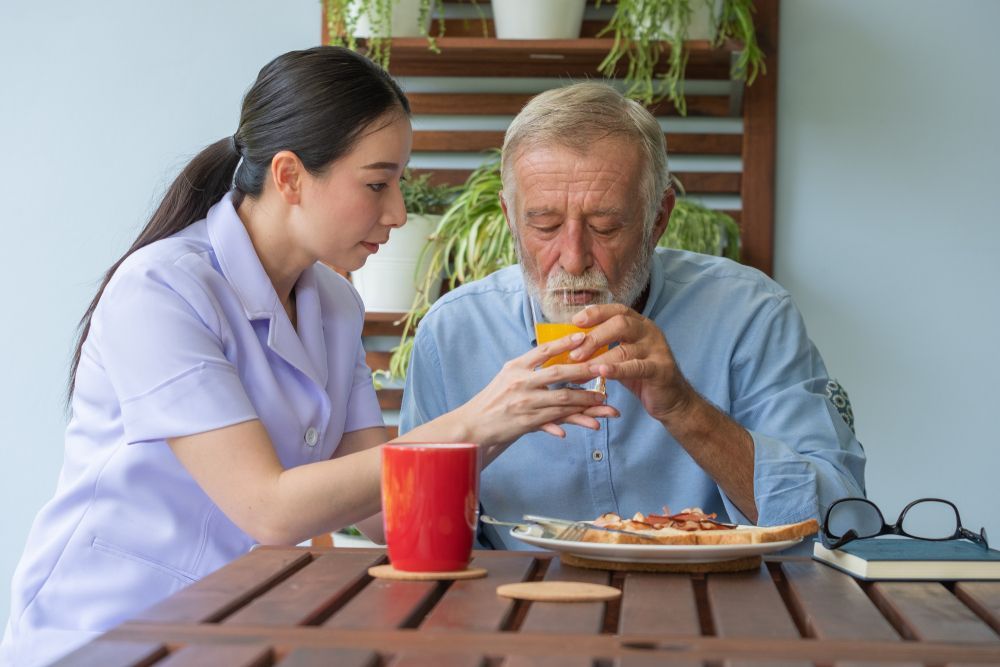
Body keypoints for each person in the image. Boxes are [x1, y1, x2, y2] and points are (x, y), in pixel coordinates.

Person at [0, 48, 616, 667]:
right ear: (290, 176)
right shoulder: (162, 289)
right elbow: (269, 509)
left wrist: (517, 415)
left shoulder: (334, 304)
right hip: (105, 635)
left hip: (232, 627)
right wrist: (479, 418)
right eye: (377, 183)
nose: (398, 212)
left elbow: (384, 514)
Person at [400, 82, 866, 549]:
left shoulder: (751, 315)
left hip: (713, 610)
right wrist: (472, 440)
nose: (573, 258)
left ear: (657, 218)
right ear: (509, 217)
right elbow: (414, 534)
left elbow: (844, 523)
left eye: (606, 226)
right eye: (544, 226)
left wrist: (687, 411)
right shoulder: (453, 332)